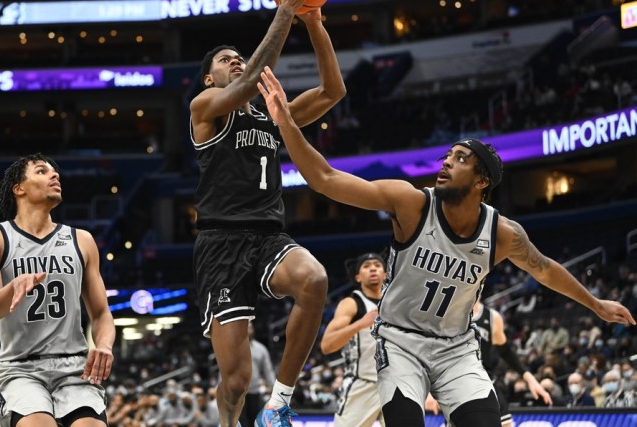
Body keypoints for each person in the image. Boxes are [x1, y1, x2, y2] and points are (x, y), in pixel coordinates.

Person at [255, 66, 636, 426]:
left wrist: (595, 304)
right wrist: (285, 121)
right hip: (399, 341)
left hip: (456, 347)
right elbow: (325, 178)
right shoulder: (411, 203)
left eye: (460, 159)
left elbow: (544, 268)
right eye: (447, 156)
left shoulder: (502, 233)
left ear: (482, 180)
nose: (446, 163)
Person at [189, 0, 345, 425]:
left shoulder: (272, 114)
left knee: (314, 280)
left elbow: (333, 91)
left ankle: (278, 403)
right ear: (209, 78)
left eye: (239, 57)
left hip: (268, 235)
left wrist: (312, 22)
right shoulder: (204, 107)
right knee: (236, 382)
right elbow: (249, 82)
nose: (236, 60)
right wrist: (287, 10)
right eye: (226, 60)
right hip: (220, 244)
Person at [0, 154, 115, 427]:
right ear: (19, 188)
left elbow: (101, 313)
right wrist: (13, 287)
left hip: (74, 368)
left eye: (55, 173)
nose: (54, 176)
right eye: (41, 171)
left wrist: (104, 345)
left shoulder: (81, 240)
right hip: (18, 368)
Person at [319, 252, 386, 427]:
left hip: (394, 382)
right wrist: (360, 324)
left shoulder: (395, 302)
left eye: (377, 265)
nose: (373, 268)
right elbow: (326, 345)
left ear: (385, 274)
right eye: (366, 266)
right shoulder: (352, 303)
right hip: (362, 383)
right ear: (358, 276)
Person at [471, 299, 551, 425]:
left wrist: (530, 378)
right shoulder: (451, 313)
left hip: (485, 381)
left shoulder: (492, 317)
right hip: (459, 383)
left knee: (506, 424)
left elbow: (506, 351)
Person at [240, 322, 276, 427]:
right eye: (245, 327)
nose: (248, 330)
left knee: (255, 423)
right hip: (238, 394)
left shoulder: (261, 349)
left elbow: (268, 371)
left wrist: (275, 391)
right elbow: (225, 369)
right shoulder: (233, 348)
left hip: (254, 391)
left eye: (250, 328)